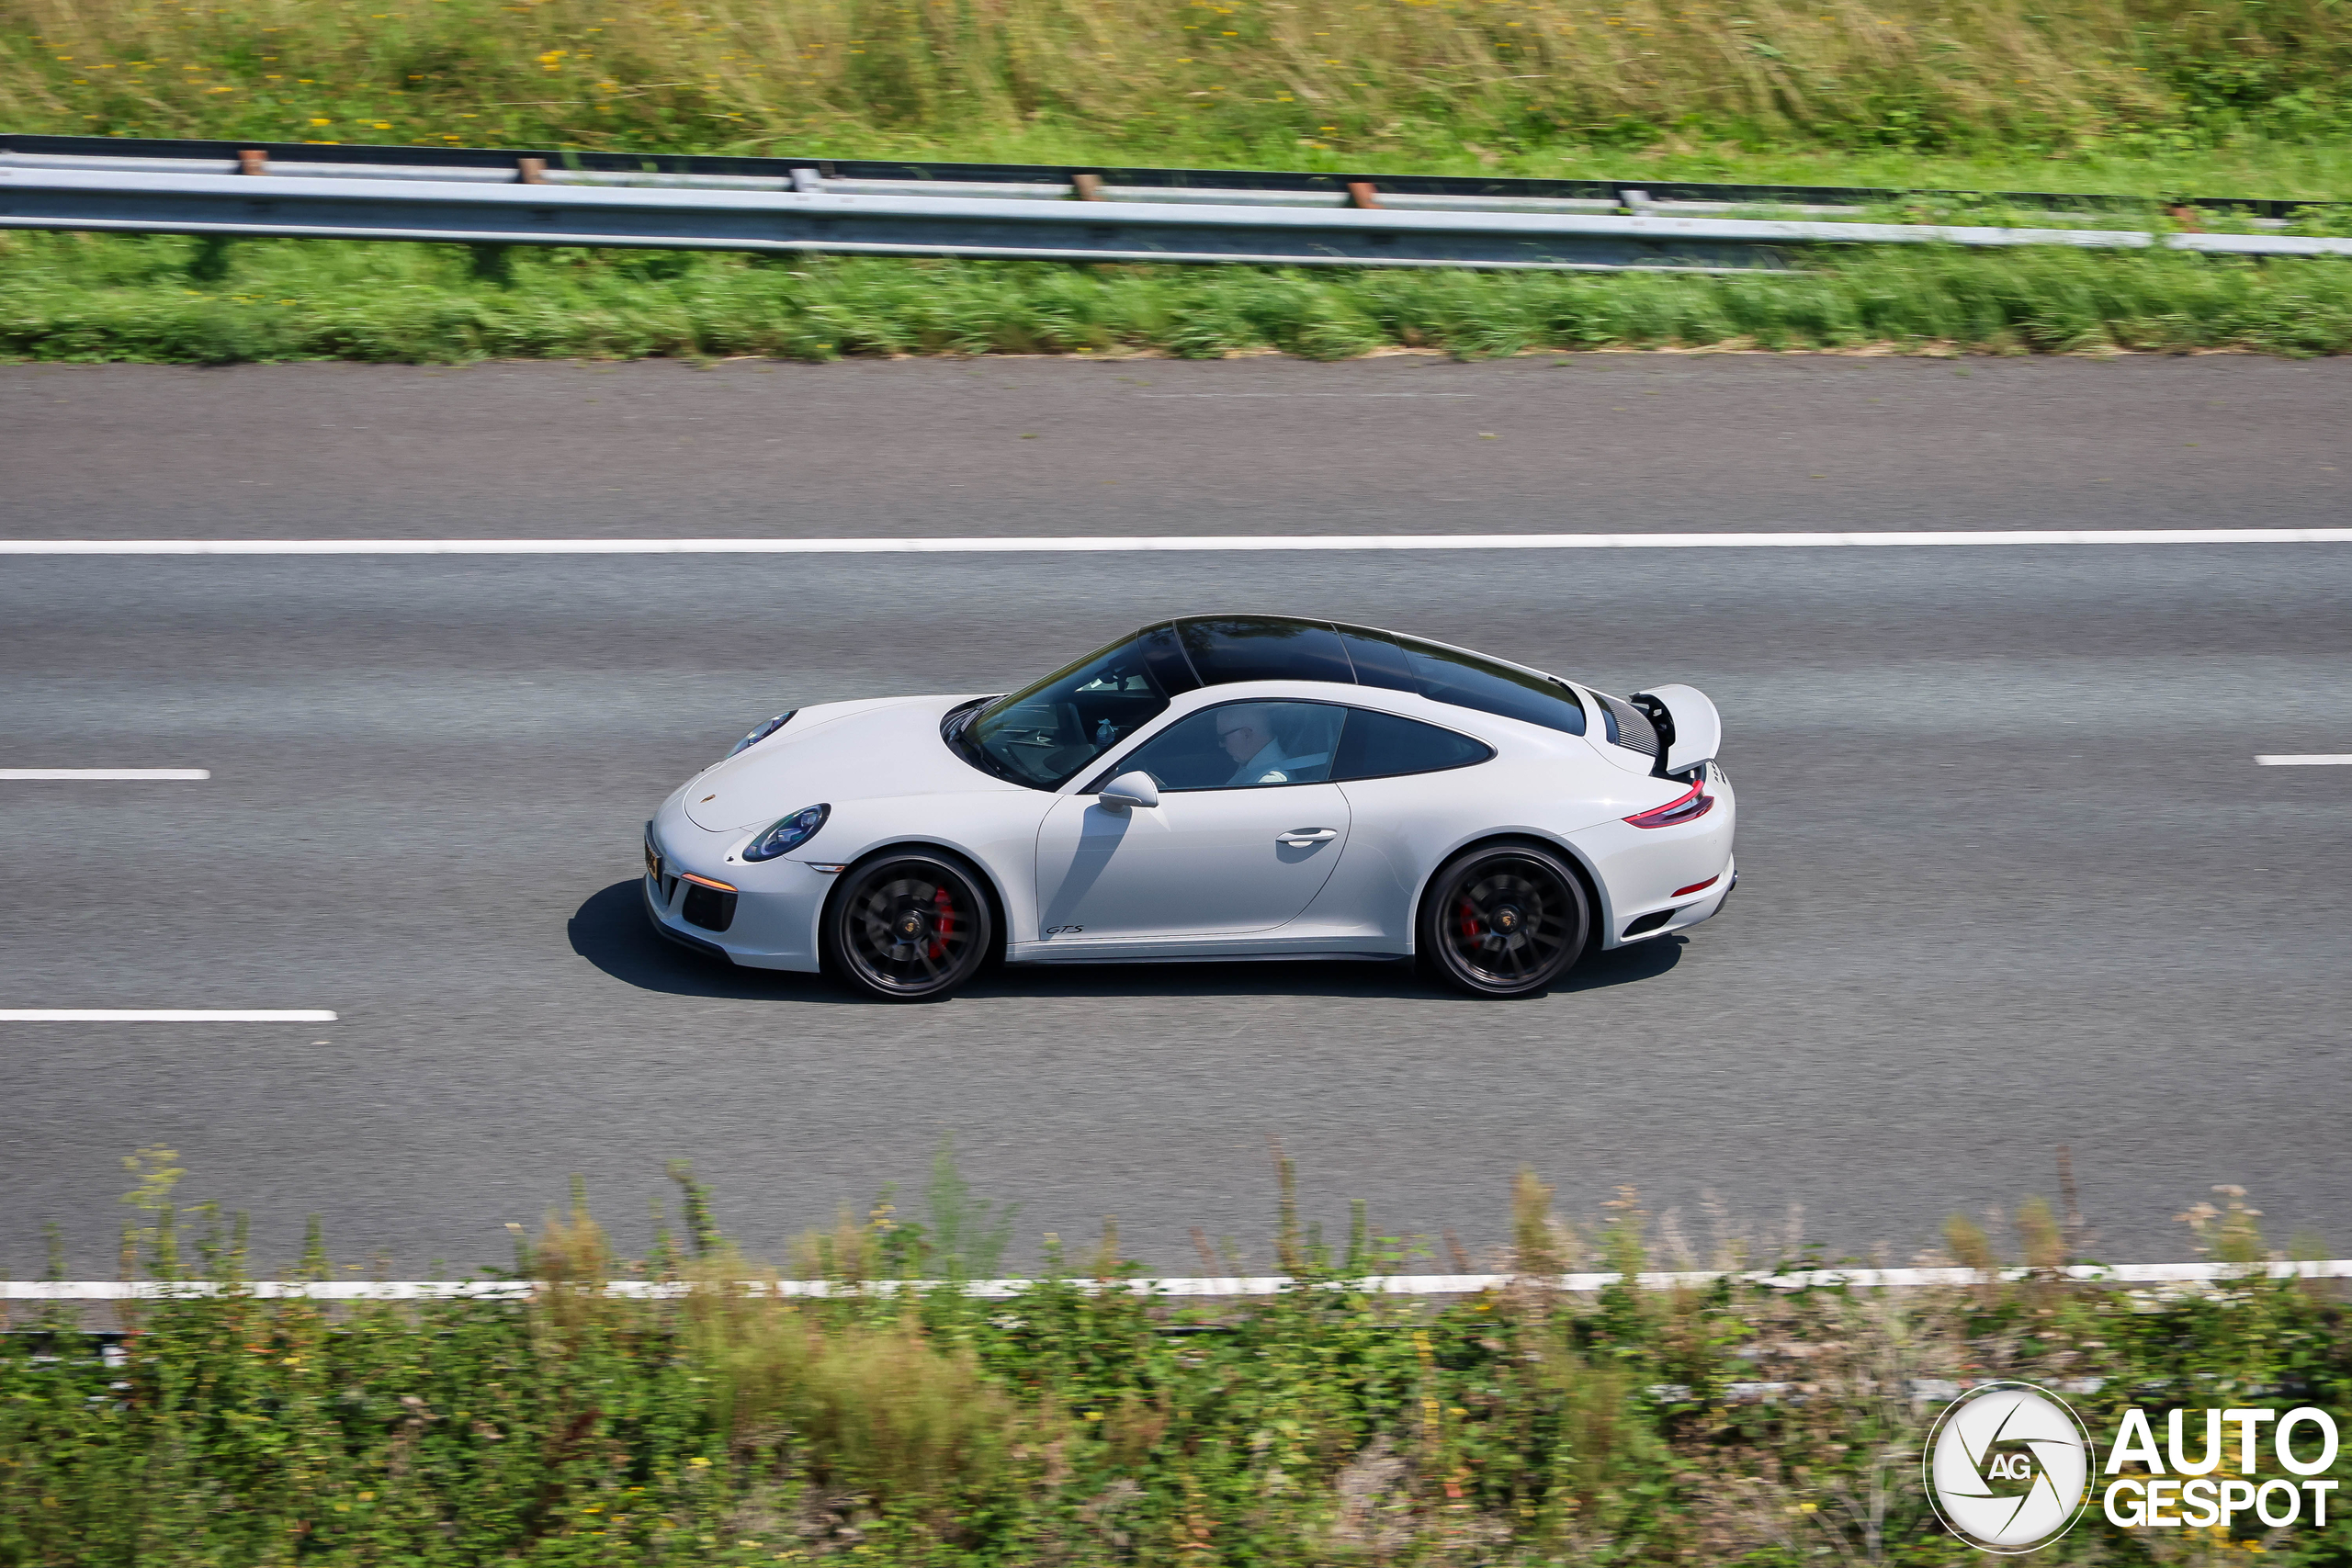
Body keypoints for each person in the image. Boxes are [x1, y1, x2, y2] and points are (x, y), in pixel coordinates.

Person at [1217, 705, 1293, 785]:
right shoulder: (1251, 764)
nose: (1220, 745)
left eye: (1222, 738)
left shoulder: (1270, 781)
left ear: (1246, 734)